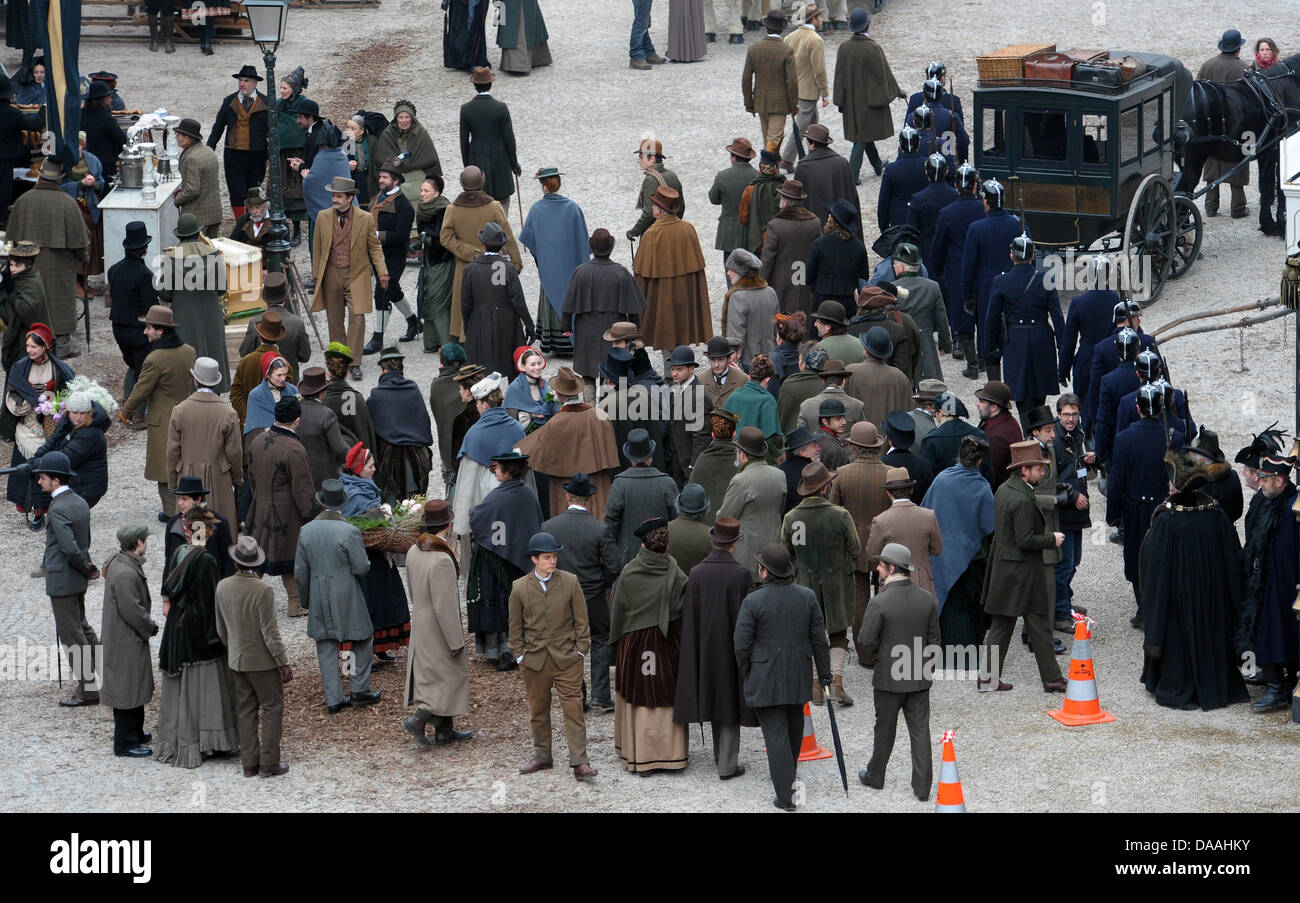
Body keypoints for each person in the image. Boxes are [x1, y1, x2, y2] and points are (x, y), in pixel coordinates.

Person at [1139, 463, 1249, 712]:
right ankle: (1214, 685)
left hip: (1178, 596)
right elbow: (1232, 559)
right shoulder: (1217, 515)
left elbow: (1153, 566)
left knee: (1178, 639)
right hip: (1212, 595)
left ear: (1176, 487)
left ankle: (1181, 686)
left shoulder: (1167, 520)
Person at [734, 542, 831, 810]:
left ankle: (786, 797)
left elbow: (740, 644)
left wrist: (748, 670)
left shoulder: (753, 601)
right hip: (798, 671)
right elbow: (819, 641)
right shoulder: (807, 597)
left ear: (764, 572)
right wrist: (824, 675)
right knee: (794, 726)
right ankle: (788, 776)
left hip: (765, 674)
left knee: (776, 733)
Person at [978, 440, 1067, 694]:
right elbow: (1025, 540)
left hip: (1008, 570)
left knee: (1003, 624)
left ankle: (989, 678)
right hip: (1022, 572)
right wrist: (1052, 539)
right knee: (1037, 622)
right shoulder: (1023, 499)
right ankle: (1051, 678)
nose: (1043, 473)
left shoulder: (1006, 489)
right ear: (1024, 470)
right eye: (1039, 468)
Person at [156, 506, 240, 765]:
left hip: (176, 628)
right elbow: (208, 602)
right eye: (210, 528)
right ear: (204, 531)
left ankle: (177, 738)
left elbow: (170, 587)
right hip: (197, 628)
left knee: (179, 684)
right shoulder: (206, 561)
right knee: (201, 685)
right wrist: (219, 635)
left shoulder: (180, 552)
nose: (213, 532)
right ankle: (199, 742)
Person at [673, 515, 755, 777]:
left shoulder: (696, 573)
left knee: (714, 693)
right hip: (732, 647)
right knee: (730, 698)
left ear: (714, 541)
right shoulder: (742, 574)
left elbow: (690, 616)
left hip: (705, 646)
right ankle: (727, 763)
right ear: (734, 544)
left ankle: (720, 755)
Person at [509, 531, 596, 779]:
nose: (553, 561)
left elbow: (582, 620)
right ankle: (542, 756)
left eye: (554, 556)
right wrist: (520, 656)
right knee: (538, 711)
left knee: (574, 708)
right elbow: (515, 627)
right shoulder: (519, 588)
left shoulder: (570, 582)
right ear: (534, 559)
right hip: (534, 661)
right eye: (547, 557)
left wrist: (581, 650)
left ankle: (580, 762)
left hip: (567, 659)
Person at [857, 540, 940, 800]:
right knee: (920, 731)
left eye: (881, 566)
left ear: (891, 568)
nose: (878, 570)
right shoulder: (927, 599)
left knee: (884, 730)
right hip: (918, 679)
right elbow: (935, 641)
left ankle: (876, 776)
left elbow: (866, 641)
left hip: (888, 681)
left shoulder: (880, 602)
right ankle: (923, 788)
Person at [608, 518, 689, 773]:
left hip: (635, 645)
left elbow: (618, 610)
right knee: (664, 695)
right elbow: (684, 607)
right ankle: (670, 754)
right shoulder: (675, 571)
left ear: (643, 544)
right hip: (666, 643)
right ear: (666, 547)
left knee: (638, 694)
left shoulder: (630, 572)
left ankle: (639, 753)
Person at [298, 479, 380, 713]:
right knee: (360, 640)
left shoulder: (306, 531)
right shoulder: (349, 531)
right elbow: (361, 568)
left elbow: (300, 573)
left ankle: (334, 698)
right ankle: (358, 688)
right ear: (342, 504)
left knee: (326, 646)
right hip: (346, 594)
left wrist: (306, 601)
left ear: (321, 503)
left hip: (318, 594)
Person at [541, 473, 621, 712]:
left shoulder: (549, 527)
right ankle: (600, 695)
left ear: (567, 497)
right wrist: (604, 585)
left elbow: (543, 565)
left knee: (566, 642)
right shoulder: (599, 529)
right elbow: (614, 566)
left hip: (560, 594)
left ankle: (576, 693)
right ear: (590, 500)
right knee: (599, 639)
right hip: (593, 594)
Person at [214, 535, 293, 778]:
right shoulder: (263, 590)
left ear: (235, 563)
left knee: (245, 710)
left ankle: (249, 763)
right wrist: (283, 661)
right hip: (262, 662)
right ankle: (269, 762)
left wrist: (233, 649)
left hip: (237, 659)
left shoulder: (222, 586)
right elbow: (270, 633)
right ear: (257, 563)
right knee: (272, 707)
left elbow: (221, 629)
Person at [782, 459, 857, 702]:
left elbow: (785, 555)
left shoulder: (791, 518)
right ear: (825, 488)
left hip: (805, 582)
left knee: (809, 632)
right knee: (837, 632)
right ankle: (836, 682)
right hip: (837, 582)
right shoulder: (840, 515)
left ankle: (814, 685)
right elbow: (855, 549)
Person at [402, 499, 473, 747]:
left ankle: (445, 731)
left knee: (435, 676)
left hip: (421, 621)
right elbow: (445, 607)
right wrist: (455, 640)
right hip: (437, 626)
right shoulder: (441, 559)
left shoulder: (414, 551)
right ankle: (418, 719)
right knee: (449, 677)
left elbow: (413, 591)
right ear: (448, 524)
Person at [4, 159, 88, 358]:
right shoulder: (68, 203)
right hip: (61, 266)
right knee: (60, 304)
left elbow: (13, 239)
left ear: (40, 176)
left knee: (32, 306)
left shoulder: (23, 200)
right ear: (59, 179)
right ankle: (63, 347)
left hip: (29, 266)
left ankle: (32, 344)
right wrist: (84, 260)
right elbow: (79, 243)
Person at [36, 452, 101, 706]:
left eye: (42, 478)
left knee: (72, 635)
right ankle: (103, 673)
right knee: (83, 627)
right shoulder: (78, 502)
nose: (40, 483)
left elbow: (70, 547)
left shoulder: (58, 508)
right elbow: (85, 540)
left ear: (54, 479)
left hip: (63, 580)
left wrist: (85, 567)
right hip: (75, 578)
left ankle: (88, 690)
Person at [468, 449, 543, 669]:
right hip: (523, 563)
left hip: (499, 562)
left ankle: (504, 651)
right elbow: (536, 523)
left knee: (501, 607)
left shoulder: (497, 496)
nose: (494, 472)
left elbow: (477, 517)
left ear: (507, 473)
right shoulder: (528, 493)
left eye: (497, 468)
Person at [121, 306, 196, 521]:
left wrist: (125, 413)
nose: (145, 332)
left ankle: (172, 512)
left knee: (164, 470)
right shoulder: (189, 351)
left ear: (161, 331)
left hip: (162, 420)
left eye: (148, 328)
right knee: (184, 463)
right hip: (186, 414)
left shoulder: (155, 358)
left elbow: (141, 390)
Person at [338, 443, 412, 659]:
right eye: (370, 465)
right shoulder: (355, 495)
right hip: (366, 559)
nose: (374, 469)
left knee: (382, 599)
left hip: (377, 556)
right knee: (369, 604)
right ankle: (366, 652)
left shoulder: (361, 487)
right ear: (358, 469)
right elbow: (366, 524)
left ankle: (380, 646)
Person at [1239, 449, 1299, 712]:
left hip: (1283, 585)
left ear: (1280, 481)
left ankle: (1279, 688)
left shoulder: (1290, 510)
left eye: (1265, 478)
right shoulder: (1270, 501)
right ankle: (1275, 681)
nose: (1259, 482)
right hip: (1266, 580)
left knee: (1277, 633)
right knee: (1266, 631)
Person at [517, 367, 620, 517]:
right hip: (596, 490)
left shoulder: (554, 424)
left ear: (558, 395)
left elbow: (534, 453)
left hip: (566, 494)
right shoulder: (599, 416)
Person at [923, 435, 994, 650]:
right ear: (980, 461)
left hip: (940, 553)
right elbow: (989, 525)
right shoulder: (982, 487)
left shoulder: (942, 479)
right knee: (968, 603)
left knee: (945, 599)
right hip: (971, 557)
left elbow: (926, 509)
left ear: (959, 456)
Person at [310, 177, 388, 372]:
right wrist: (317, 275)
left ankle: (354, 362)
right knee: (334, 319)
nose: (334, 200)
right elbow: (317, 247)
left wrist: (383, 272)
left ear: (350, 198)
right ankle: (340, 359)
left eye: (338, 196)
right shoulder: (323, 217)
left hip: (357, 274)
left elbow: (375, 248)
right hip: (331, 273)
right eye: (333, 196)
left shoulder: (365, 218)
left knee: (357, 317)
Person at [248, 398, 317, 617]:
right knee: (290, 559)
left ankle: (248, 603)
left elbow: (251, 478)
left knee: (258, 559)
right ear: (297, 420)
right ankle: (295, 603)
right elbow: (303, 488)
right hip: (286, 515)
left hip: (260, 507)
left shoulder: (257, 441)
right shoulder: (294, 449)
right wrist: (312, 516)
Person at [986, 235, 1063, 429]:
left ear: (1012, 256)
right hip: (1041, 339)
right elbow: (1057, 317)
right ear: (1032, 257)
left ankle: (1030, 435)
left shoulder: (1000, 281)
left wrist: (991, 349)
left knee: (1020, 395)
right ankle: (1038, 434)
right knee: (1039, 396)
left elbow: (992, 319)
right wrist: (1064, 348)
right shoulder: (1046, 279)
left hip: (1016, 341)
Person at [441, 166, 524, 342]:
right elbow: (507, 235)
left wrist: (468, 251)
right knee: (498, 301)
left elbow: (445, 237)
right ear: (483, 181)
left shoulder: (452, 209)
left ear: (462, 183)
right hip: (496, 264)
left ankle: (468, 340)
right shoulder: (493, 206)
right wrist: (516, 263)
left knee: (468, 301)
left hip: (465, 264)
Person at [2, 324, 73, 520]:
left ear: (45, 347)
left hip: (51, 426)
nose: (29, 350)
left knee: (48, 466)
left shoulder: (59, 368)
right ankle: (32, 506)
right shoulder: (20, 368)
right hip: (27, 424)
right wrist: (24, 405)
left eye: (34, 347)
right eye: (28, 346)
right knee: (27, 467)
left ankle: (47, 506)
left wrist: (57, 404)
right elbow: (12, 392)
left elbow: (69, 390)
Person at [100, 524, 158, 758]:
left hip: (124, 638)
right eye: (145, 540)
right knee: (127, 690)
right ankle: (125, 742)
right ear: (139, 543)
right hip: (125, 639)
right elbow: (132, 610)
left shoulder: (120, 562)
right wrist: (150, 626)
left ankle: (135, 731)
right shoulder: (125, 573)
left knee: (134, 686)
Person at [519, 167, 589, 358]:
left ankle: (552, 341)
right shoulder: (573, 208)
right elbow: (583, 241)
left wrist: (542, 255)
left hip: (549, 268)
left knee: (550, 296)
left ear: (544, 187)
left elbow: (529, 239)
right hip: (571, 268)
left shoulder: (536, 209)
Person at [563, 230, 647, 387]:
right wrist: (635, 332)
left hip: (586, 329)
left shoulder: (580, 272)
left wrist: (566, 326)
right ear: (611, 247)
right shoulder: (621, 273)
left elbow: (569, 303)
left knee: (587, 373)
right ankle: (606, 407)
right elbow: (634, 308)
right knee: (611, 372)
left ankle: (589, 405)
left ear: (591, 247)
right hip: (614, 330)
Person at [633, 186, 712, 350]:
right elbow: (698, 273)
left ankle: (671, 373)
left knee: (666, 339)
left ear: (659, 211)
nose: (653, 208)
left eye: (654, 205)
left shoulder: (652, 234)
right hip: (685, 297)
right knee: (682, 336)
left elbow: (641, 276)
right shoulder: (688, 228)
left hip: (663, 300)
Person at [157, 214, 230, 393]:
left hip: (184, 316)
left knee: (188, 358)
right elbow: (222, 289)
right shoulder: (213, 254)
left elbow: (165, 294)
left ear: (179, 236)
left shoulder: (171, 258)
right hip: (210, 314)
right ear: (198, 233)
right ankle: (215, 394)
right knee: (213, 353)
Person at [960, 180, 1024, 377]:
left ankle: (993, 379)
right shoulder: (1015, 223)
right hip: (1013, 284)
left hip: (987, 286)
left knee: (990, 332)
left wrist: (967, 294)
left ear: (985, 201)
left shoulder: (976, 228)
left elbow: (968, 266)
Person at [833, 8, 902, 183]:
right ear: (868, 25)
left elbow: (838, 75)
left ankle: (877, 164)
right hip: (869, 102)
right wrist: (897, 91)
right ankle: (852, 175)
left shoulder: (844, 48)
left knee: (864, 134)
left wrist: (839, 99)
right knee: (861, 138)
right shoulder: (873, 48)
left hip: (851, 100)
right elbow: (884, 76)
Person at [452, 373, 525, 535]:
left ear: (484, 405)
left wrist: (462, 525)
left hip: (486, 511)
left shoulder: (474, 434)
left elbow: (467, 484)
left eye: (477, 403)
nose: (477, 407)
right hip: (515, 508)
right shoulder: (518, 429)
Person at [930, 164, 985, 377]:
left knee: (961, 312)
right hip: (981, 264)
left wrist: (938, 268)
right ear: (974, 186)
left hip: (957, 267)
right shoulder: (982, 208)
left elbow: (939, 246)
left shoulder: (947, 213)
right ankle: (981, 359)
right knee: (982, 310)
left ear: (956, 185)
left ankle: (971, 361)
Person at [1057, 255, 1122, 427]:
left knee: (1084, 408)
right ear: (1109, 275)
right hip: (1111, 358)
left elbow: (1069, 340)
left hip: (1087, 359)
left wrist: (1063, 370)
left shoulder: (1079, 302)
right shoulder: (1117, 300)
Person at [363, 160, 419, 354]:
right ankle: (414, 322)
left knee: (382, 293)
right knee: (393, 291)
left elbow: (402, 236)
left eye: (385, 177)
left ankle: (377, 338)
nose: (381, 180)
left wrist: (376, 235)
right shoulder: (377, 198)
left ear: (396, 181)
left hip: (394, 256)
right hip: (376, 254)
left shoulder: (404, 206)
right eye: (380, 176)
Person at [717, 425, 787, 581]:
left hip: (747, 553)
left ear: (742, 454)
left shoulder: (740, 480)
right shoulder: (780, 475)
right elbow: (780, 509)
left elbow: (725, 518)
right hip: (774, 547)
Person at [367, 347, 434, 503]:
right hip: (416, 461)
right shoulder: (413, 389)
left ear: (383, 370)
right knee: (415, 507)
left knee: (392, 507)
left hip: (391, 465)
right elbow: (424, 423)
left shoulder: (377, 395)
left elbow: (370, 429)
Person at [604, 428, 680, 565]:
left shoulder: (619, 484)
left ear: (629, 457)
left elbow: (610, 524)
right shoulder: (667, 483)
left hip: (628, 559)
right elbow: (677, 518)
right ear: (651, 456)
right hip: (661, 557)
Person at [24, 391, 110, 511]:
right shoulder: (67, 420)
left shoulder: (90, 433)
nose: (78, 417)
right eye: (74, 413)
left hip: (86, 486)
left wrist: (36, 464)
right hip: (76, 478)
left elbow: (65, 459)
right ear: (69, 411)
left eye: (83, 414)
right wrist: (35, 458)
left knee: (67, 518)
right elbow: (53, 441)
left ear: (89, 413)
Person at [1197, 30, 1250, 219]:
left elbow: (1198, 92)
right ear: (1238, 48)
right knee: (1238, 162)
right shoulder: (1244, 68)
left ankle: (1211, 207)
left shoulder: (1208, 65)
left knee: (1212, 163)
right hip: (1236, 124)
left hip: (1212, 124)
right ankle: (1237, 207)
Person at [159, 478, 236, 608]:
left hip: (211, 593)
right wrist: (166, 598)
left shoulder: (220, 524)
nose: (180, 503)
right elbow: (169, 561)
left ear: (198, 499)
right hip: (181, 595)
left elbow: (228, 561)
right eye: (178, 498)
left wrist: (226, 595)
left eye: (184, 499)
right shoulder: (173, 524)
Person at [1051, 395, 1093, 630]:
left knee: (1073, 561)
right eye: (1066, 414)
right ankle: (1059, 613)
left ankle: (1065, 602)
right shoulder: (1055, 442)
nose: (1070, 419)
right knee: (1064, 564)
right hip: (1064, 512)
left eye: (1074, 414)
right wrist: (1074, 496)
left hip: (1076, 513)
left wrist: (1087, 461)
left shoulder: (1078, 435)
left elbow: (1075, 469)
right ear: (1058, 414)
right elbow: (1049, 482)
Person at [760, 179, 821, 317]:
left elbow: (767, 260)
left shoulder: (776, 225)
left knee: (783, 321)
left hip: (781, 284)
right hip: (807, 282)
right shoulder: (815, 223)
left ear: (785, 202)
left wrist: (761, 284)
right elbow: (819, 254)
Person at [780, 5, 829, 171]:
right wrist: (825, 93)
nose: (822, 19)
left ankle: (816, 154)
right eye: (819, 17)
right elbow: (819, 70)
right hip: (808, 91)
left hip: (794, 88)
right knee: (801, 127)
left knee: (813, 123)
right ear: (813, 19)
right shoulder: (815, 40)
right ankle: (787, 158)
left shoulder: (790, 37)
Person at [459, 69, 520, 205]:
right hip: (500, 159)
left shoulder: (466, 109)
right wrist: (514, 164)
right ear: (490, 84)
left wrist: (467, 167)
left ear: (474, 85)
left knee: (479, 201)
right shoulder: (500, 108)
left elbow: (464, 142)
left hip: (477, 160)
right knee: (502, 201)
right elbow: (509, 140)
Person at [892, 243, 950, 384]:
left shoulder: (892, 288)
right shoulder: (932, 287)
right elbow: (941, 318)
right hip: (925, 341)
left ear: (902, 266)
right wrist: (945, 344)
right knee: (931, 388)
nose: (893, 266)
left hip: (901, 341)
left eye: (894, 263)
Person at [741, 9, 798, 152]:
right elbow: (792, 81)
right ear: (782, 29)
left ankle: (771, 168)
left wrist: (748, 103)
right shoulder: (787, 50)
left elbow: (746, 78)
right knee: (773, 141)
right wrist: (793, 105)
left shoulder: (754, 49)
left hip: (760, 102)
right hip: (780, 104)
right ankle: (767, 169)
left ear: (766, 26)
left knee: (767, 138)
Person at [413, 176, 456, 352]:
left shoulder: (444, 209)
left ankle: (446, 342)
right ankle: (431, 341)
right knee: (427, 296)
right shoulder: (423, 209)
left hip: (443, 260)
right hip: (429, 260)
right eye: (421, 190)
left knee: (437, 300)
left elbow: (445, 237)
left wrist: (429, 239)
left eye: (426, 191)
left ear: (436, 193)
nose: (422, 194)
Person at [238, 274, 311, 374]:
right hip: (289, 381)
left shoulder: (254, 323)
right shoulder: (297, 323)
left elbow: (244, 353)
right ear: (285, 299)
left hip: (262, 382)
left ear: (265, 299)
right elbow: (305, 356)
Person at [373, 100, 442, 204]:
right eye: (400, 117)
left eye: (407, 117)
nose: (403, 121)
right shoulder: (387, 134)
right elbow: (381, 159)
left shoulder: (421, 133)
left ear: (412, 118)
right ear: (396, 119)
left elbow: (430, 159)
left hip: (418, 180)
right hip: (397, 180)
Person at [232, 311, 292, 430]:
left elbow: (235, 393)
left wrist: (247, 416)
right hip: (276, 428)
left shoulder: (246, 361)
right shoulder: (286, 365)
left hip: (250, 428)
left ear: (259, 337)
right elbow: (287, 398)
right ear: (278, 339)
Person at [845, 327, 911, 430]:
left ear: (865, 350)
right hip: (889, 441)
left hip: (857, 440)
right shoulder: (899, 377)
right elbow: (909, 414)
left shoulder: (850, 372)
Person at [808, 200, 871, 310]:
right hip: (849, 300)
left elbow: (809, 276)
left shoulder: (819, 244)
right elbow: (864, 276)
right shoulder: (859, 247)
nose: (828, 217)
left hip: (823, 299)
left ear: (833, 221)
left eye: (830, 215)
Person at [295, 367, 348, 491]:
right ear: (322, 392)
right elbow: (339, 448)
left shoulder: (295, 409)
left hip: (299, 473)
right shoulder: (326, 414)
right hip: (323, 476)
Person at [710, 139, 759, 274]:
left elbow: (713, 199)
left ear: (733, 158)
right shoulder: (757, 176)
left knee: (731, 271)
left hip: (729, 232)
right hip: (751, 232)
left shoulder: (722, 176)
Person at [0, 76, 44, 223]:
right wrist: (44, 110)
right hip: (7, 156)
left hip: (7, 155)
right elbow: (35, 126)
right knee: (4, 188)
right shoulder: (12, 113)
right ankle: (2, 218)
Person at [173, 119, 224, 238]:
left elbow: (192, 189)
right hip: (213, 213)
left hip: (199, 217)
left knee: (196, 254)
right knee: (211, 252)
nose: (176, 137)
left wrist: (177, 200)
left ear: (187, 138)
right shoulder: (208, 151)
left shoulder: (192, 158)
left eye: (178, 135)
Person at [275, 69, 310, 244]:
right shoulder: (278, 104)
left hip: (297, 153)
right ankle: (283, 229)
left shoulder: (303, 104)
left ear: (294, 88)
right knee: (280, 192)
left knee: (296, 194)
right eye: (281, 87)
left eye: (285, 88)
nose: (282, 91)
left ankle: (297, 230)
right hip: (281, 154)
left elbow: (303, 127)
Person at [920, 391, 988, 477]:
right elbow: (987, 470)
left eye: (935, 414)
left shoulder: (932, 440)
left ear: (941, 413)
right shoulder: (979, 434)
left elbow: (927, 474)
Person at [322, 342, 377, 449]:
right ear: (347, 372)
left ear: (329, 372)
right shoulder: (357, 399)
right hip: (354, 456)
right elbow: (366, 434)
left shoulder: (322, 399)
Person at [627, 139, 684, 240]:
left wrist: (633, 232)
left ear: (652, 159)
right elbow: (681, 206)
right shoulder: (672, 175)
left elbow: (649, 213)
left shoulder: (650, 180)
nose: (639, 161)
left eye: (641, 157)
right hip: (673, 233)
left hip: (654, 236)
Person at [906, 154, 958, 264]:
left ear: (926, 173)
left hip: (927, 252)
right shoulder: (955, 196)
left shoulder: (918, 199)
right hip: (951, 252)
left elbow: (911, 230)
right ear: (946, 172)